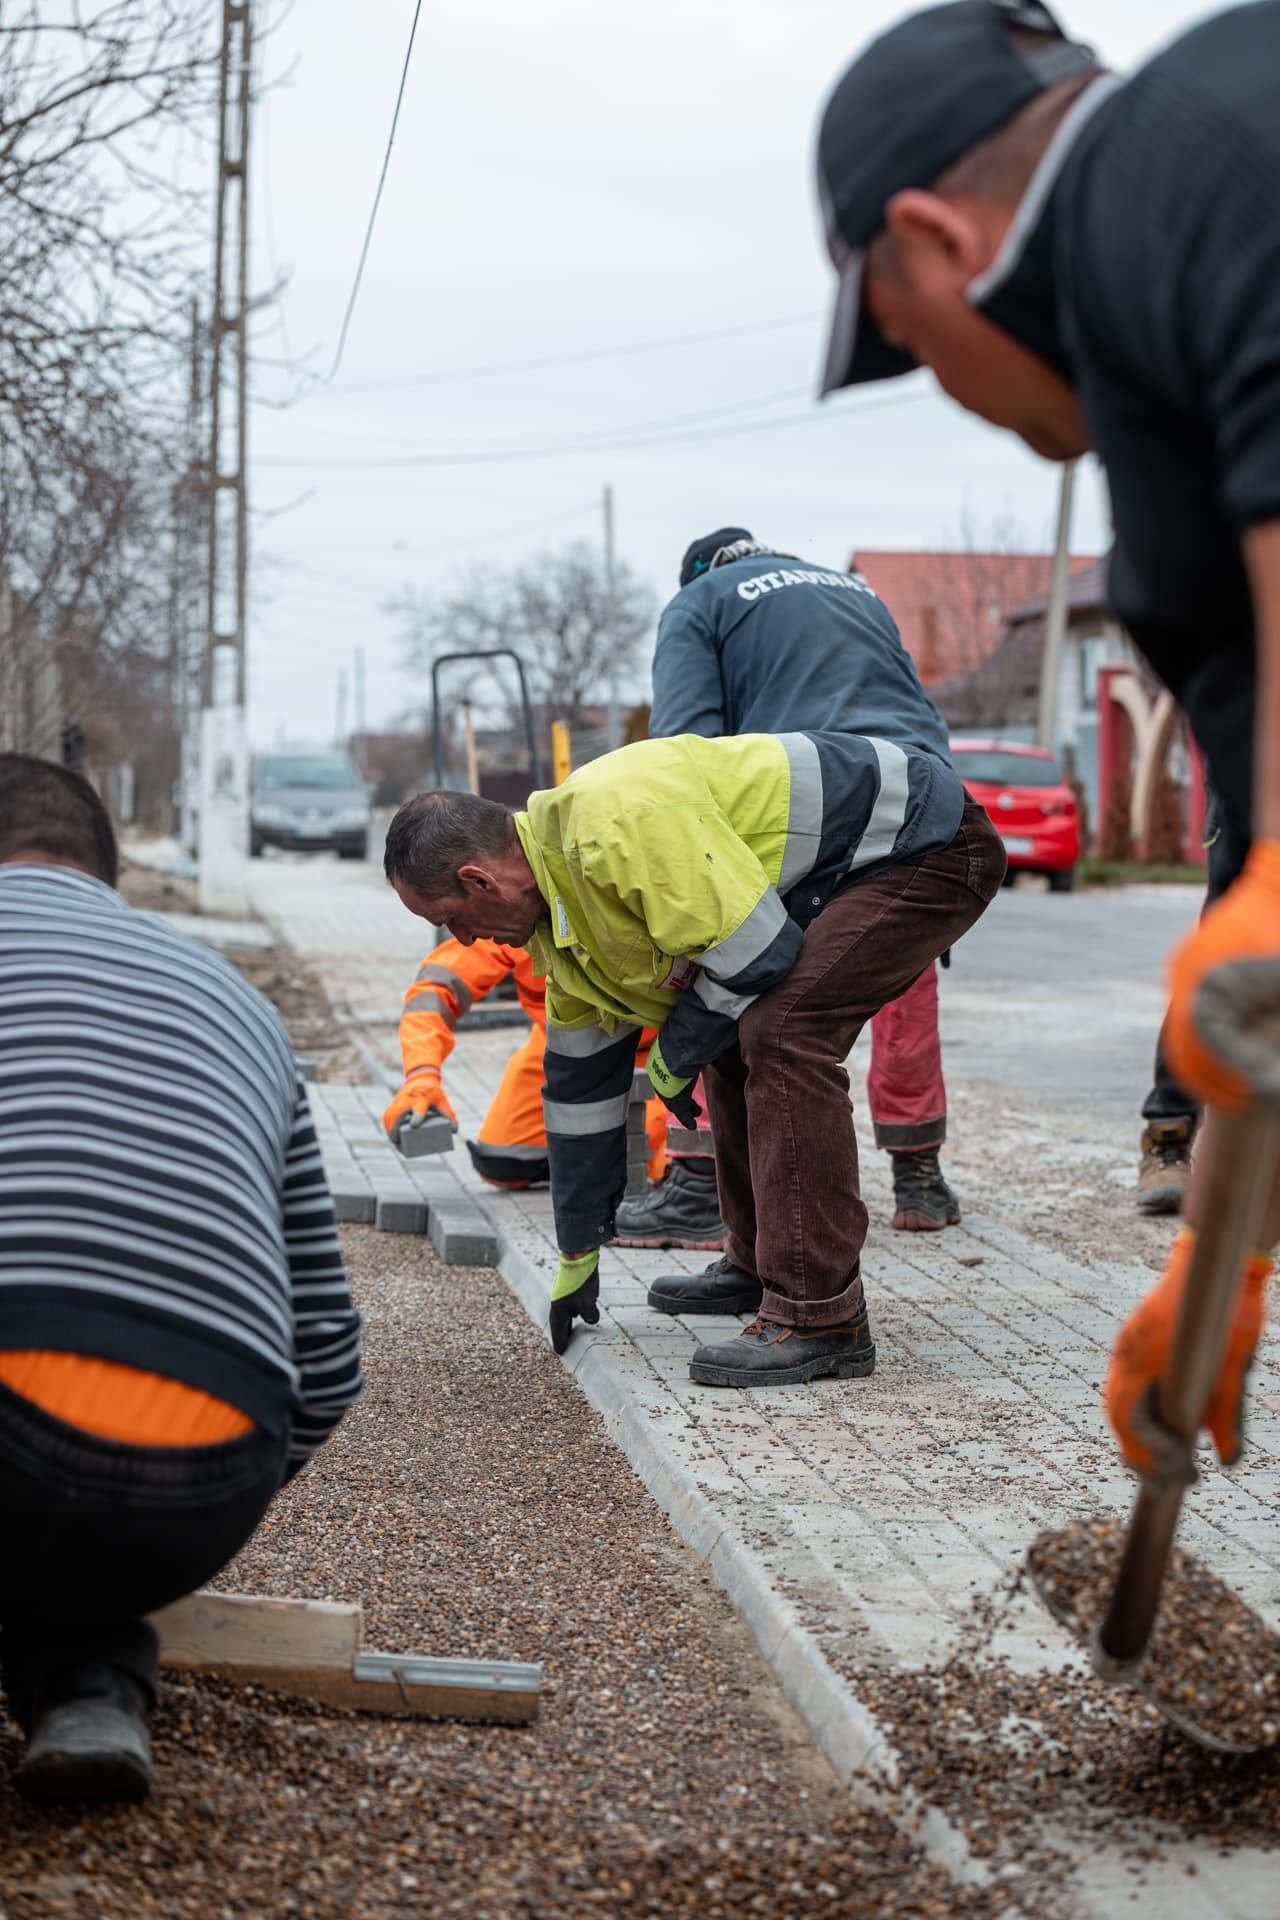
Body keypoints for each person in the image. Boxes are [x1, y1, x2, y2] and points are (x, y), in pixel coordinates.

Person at [814, 0, 1280, 1471]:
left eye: (907, 345)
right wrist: (1229, 1252)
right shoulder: (1159, 300)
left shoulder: (1186, 158)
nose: (951, 390)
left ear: (938, 240)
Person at [384, 732, 1004, 1387]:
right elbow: (577, 1097)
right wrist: (578, 1248)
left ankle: (823, 1317)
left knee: (782, 1032)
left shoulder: (610, 828)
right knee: (735, 1031)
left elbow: (757, 950)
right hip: (853, 863)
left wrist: (673, 1057)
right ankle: (761, 1263)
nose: (462, 939)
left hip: (922, 840)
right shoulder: (560, 932)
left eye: (451, 918)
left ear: (477, 879)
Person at [0, 754, 363, 1804]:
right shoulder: (237, 1003)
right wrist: (180, 1486)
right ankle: (89, 1681)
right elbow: (328, 1361)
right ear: (106, 875)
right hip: (201, 1493)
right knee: (59, 1540)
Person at [630, 524, 963, 1287]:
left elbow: (684, 754)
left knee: (754, 1007)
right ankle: (919, 1179)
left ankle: (713, 1206)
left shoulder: (699, 603)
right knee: (901, 990)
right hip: (927, 808)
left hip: (814, 809)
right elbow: (909, 704)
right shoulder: (856, 590)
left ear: (695, 575)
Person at [383, 934, 674, 1203]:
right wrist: (422, 1074)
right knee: (504, 1159)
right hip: (561, 1049)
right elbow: (436, 986)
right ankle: (585, 1158)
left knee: (664, 1169)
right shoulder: (507, 908)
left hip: (655, 1050)